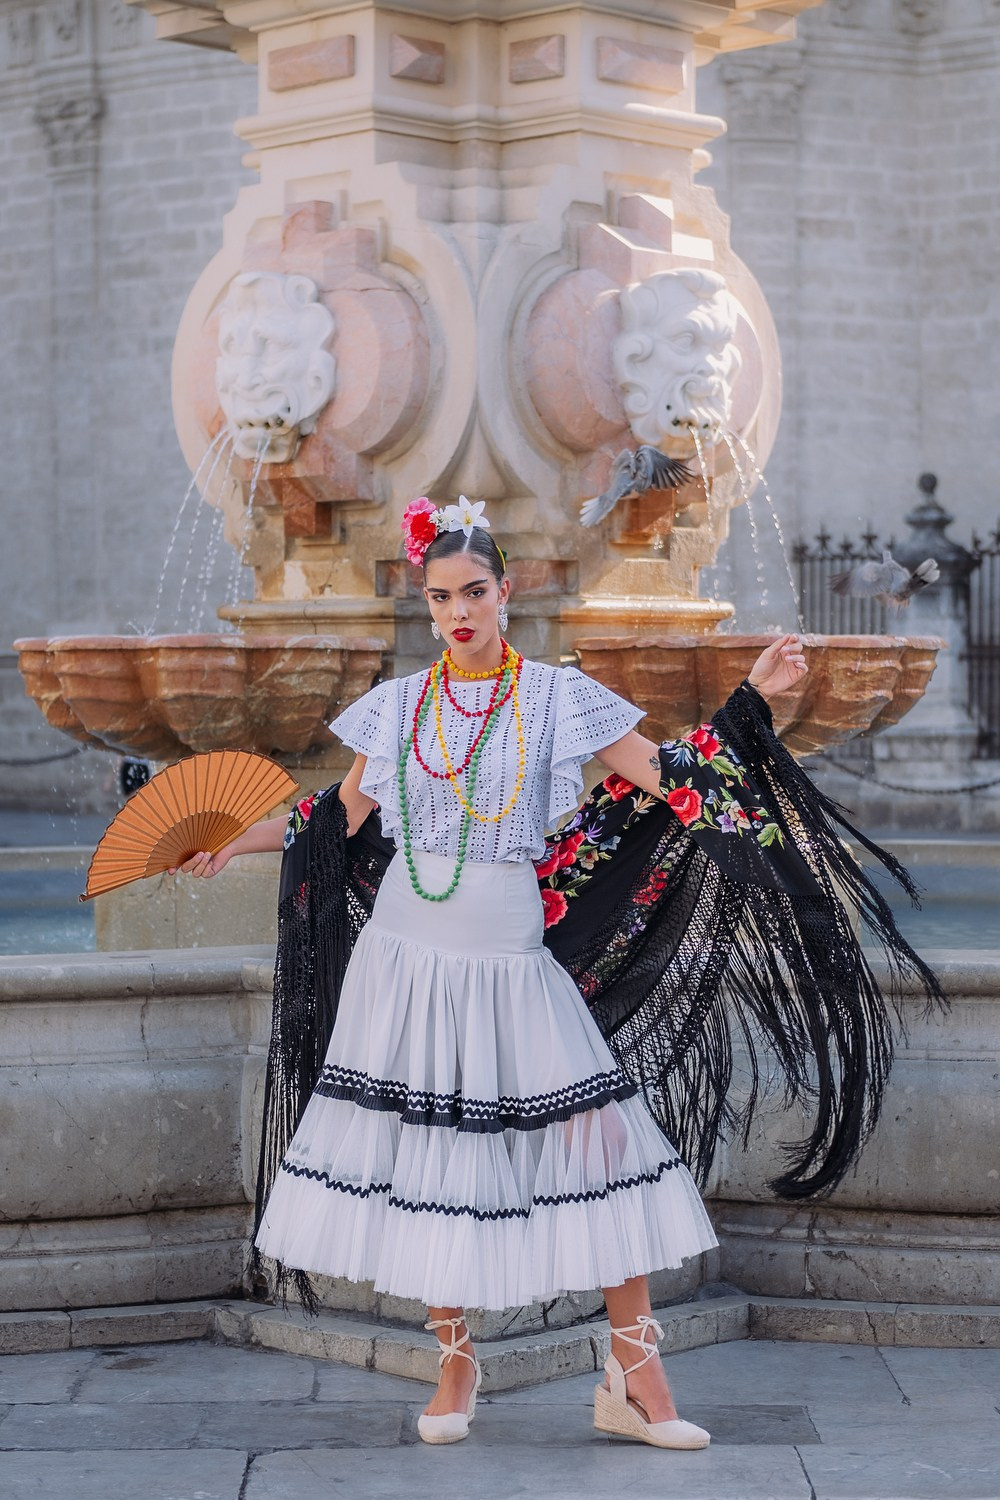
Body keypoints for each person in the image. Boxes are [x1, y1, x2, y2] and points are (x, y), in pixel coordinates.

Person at [174, 497, 937, 1451]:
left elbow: (668, 777)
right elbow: (336, 817)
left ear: (508, 591)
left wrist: (757, 702)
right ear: (426, 600)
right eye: (441, 595)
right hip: (405, 964)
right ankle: (455, 1362)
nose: (459, 611)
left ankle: (634, 1369)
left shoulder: (556, 698)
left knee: (600, 1147)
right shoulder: (398, 708)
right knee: (435, 1158)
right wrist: (225, 842)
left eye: (475, 592)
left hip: (509, 962)